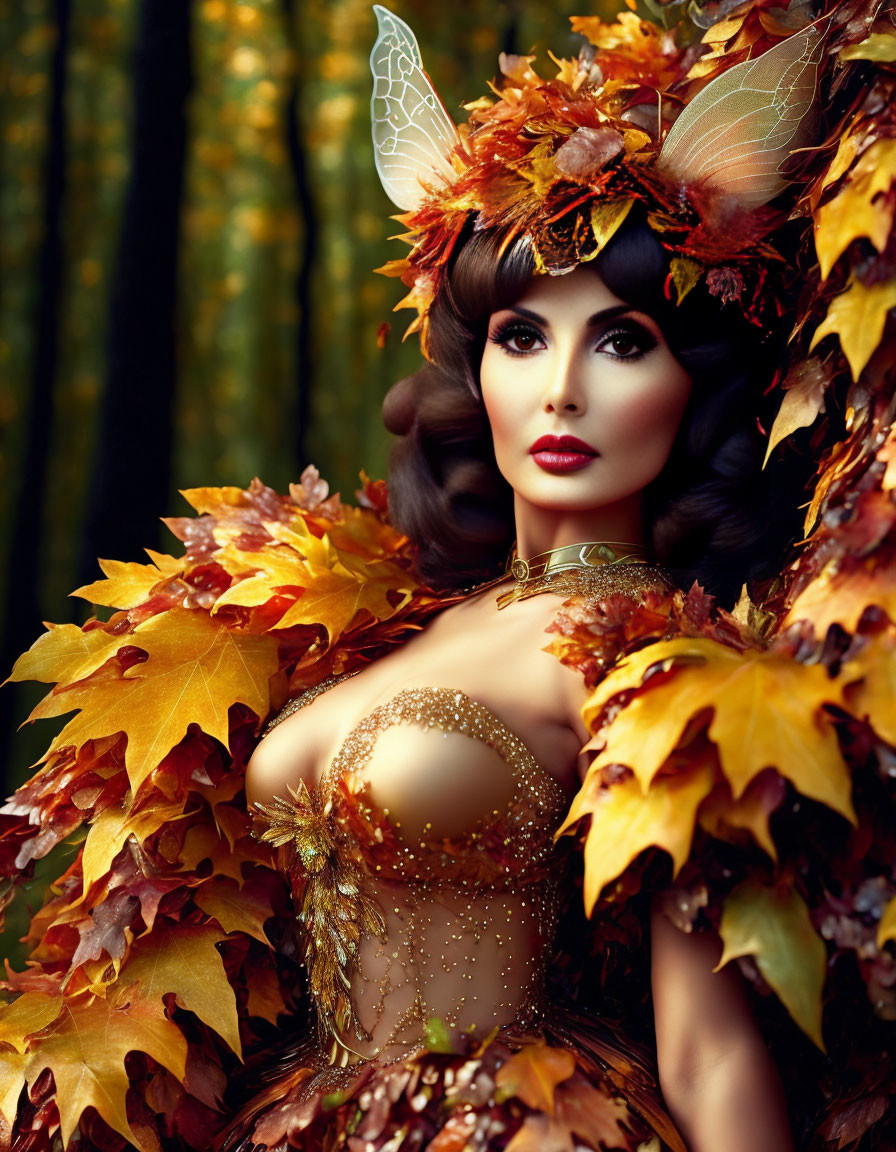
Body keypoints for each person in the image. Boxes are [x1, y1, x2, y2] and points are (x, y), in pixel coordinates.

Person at [2, 2, 895, 1151]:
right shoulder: (383, 625)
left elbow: (705, 1046)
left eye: (621, 341)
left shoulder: (657, 657)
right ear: (472, 365)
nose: (561, 387)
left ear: (692, 385)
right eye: (521, 336)